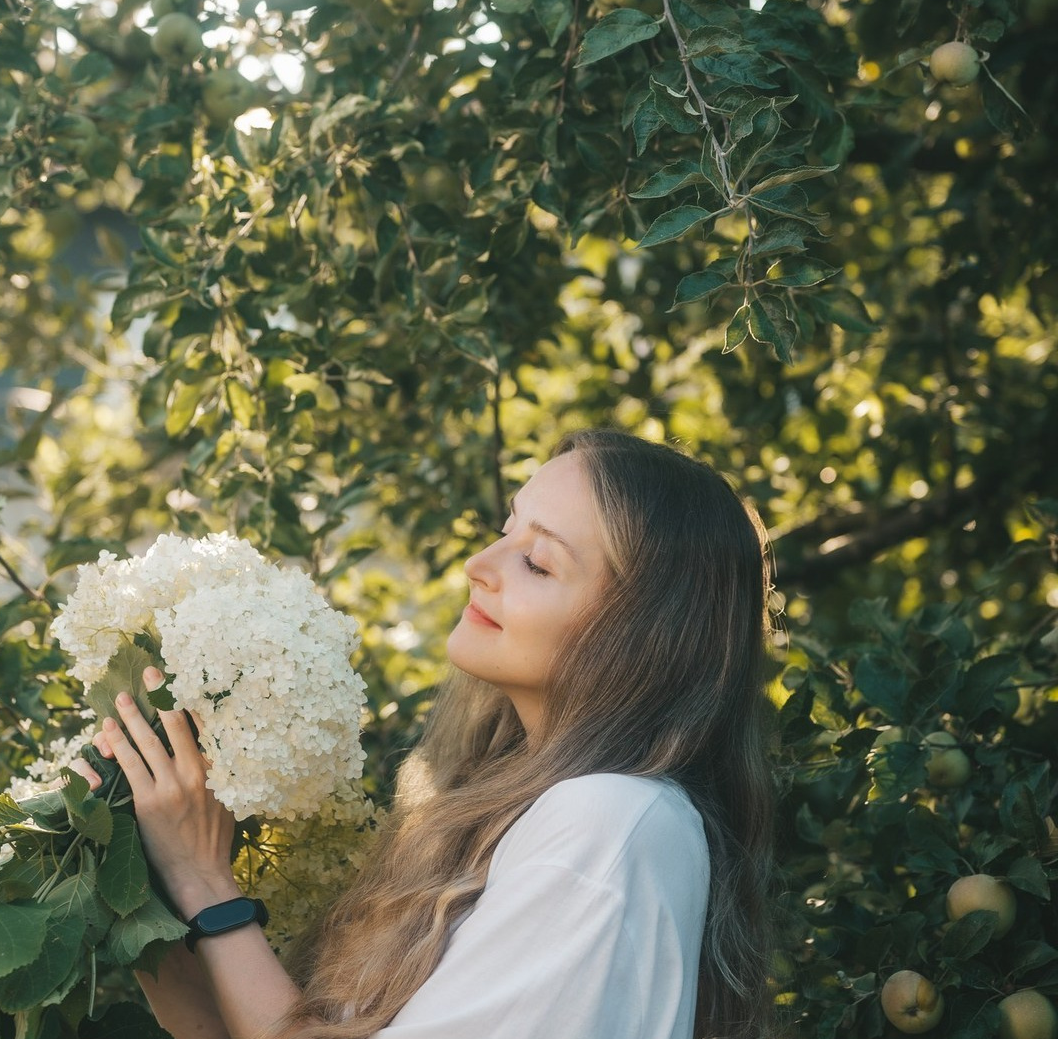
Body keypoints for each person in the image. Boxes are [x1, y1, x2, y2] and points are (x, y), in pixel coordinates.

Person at [76, 429, 776, 1039]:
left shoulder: (614, 822)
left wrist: (206, 881)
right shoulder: (514, 812)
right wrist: (152, 894)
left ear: (641, 637)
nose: (481, 565)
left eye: (537, 562)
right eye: (507, 530)